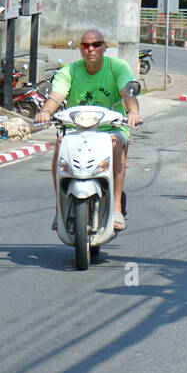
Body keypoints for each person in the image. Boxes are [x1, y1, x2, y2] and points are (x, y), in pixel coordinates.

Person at [36, 31, 141, 232]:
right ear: (81, 49)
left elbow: (127, 92)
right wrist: (45, 112)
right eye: (85, 46)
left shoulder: (117, 67)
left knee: (115, 144)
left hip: (112, 127)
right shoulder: (70, 71)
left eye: (95, 44)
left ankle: (117, 207)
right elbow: (57, 96)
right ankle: (60, 209)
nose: (90, 49)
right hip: (76, 129)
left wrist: (133, 111)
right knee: (60, 146)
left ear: (104, 47)